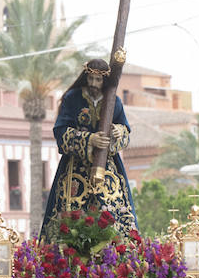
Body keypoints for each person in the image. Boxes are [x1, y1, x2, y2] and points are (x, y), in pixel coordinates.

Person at [38, 58, 137, 240]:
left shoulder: (114, 101)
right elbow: (60, 131)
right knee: (70, 215)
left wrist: (118, 131)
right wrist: (89, 139)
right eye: (90, 79)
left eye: (98, 80)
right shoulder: (72, 98)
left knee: (114, 212)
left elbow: (126, 131)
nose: (93, 84)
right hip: (75, 168)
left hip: (107, 168)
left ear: (105, 80)